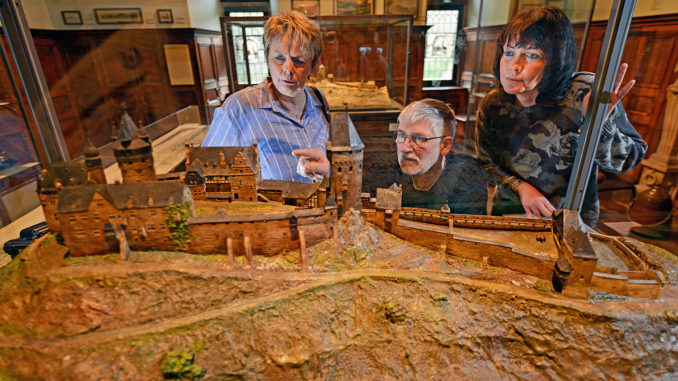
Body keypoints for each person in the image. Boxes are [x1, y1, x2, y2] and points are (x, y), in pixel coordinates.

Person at [475, 6, 647, 226]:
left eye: (531, 55)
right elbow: (486, 163)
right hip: (510, 212)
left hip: (571, 219)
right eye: (509, 52)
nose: (514, 66)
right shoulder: (493, 103)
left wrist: (598, 125)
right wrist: (521, 188)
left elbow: (627, 162)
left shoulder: (584, 92)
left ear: (554, 61)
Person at [202, 11, 330, 182]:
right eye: (279, 58)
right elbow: (205, 174)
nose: (288, 70)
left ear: (313, 65)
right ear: (267, 60)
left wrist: (329, 172)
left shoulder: (318, 100)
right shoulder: (237, 109)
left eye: (299, 61)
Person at [394, 99, 488, 213]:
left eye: (419, 139)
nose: (404, 148)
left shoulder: (468, 180)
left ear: (445, 145)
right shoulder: (388, 172)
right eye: (401, 135)